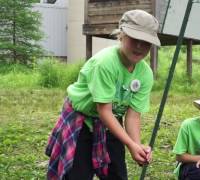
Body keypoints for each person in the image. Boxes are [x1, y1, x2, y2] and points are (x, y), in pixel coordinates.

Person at [45, 9, 161, 180]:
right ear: (121, 35)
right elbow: (104, 110)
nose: (139, 46)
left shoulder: (145, 74)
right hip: (82, 120)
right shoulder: (105, 63)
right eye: (134, 39)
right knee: (78, 174)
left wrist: (137, 146)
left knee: (117, 174)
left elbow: (133, 116)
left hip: (111, 123)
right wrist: (129, 144)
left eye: (145, 42)